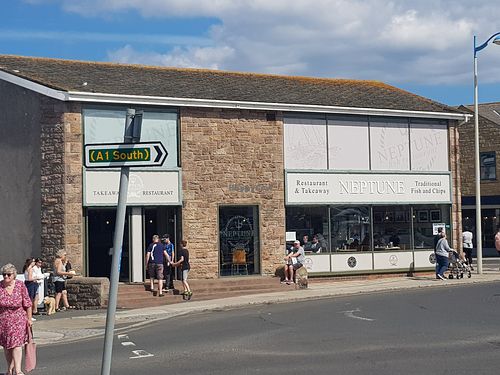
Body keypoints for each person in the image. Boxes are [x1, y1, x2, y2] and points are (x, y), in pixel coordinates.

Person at [0, 263, 33, 375]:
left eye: (8, 274)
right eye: (4, 274)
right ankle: (10, 369)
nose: (6, 277)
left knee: (17, 345)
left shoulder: (20, 285)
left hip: (18, 319)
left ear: (14, 275)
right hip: (4, 320)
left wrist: (29, 319)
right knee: (7, 346)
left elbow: (28, 303)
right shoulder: (0, 287)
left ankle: (18, 370)